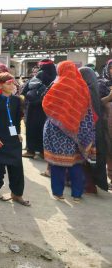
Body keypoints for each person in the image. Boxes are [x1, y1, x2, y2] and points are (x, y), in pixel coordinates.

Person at [42, 61, 95, 202]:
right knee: (76, 163)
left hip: (56, 130)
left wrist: (60, 117)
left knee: (57, 163)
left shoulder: (57, 85)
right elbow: (88, 112)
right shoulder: (83, 87)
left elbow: (46, 104)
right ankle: (77, 195)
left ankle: (58, 193)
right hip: (77, 131)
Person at [0, 72, 30, 209]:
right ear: (0, 85)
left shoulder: (17, 100)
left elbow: (16, 120)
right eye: (8, 83)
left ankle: (17, 194)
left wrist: (18, 133)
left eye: (13, 82)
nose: (12, 85)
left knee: (17, 169)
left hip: (13, 141)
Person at [79, 67, 109, 194]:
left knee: (85, 158)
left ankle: (88, 186)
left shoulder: (85, 91)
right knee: (92, 158)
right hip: (96, 129)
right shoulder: (95, 89)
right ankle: (91, 185)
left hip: (87, 130)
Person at [21, 59, 56, 159]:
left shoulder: (39, 75)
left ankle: (31, 150)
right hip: (48, 108)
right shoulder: (56, 77)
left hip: (34, 107)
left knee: (32, 128)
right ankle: (43, 151)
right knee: (44, 129)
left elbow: (25, 89)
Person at [98, 59, 112, 190]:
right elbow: (98, 102)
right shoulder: (102, 84)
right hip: (107, 124)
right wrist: (110, 96)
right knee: (109, 150)